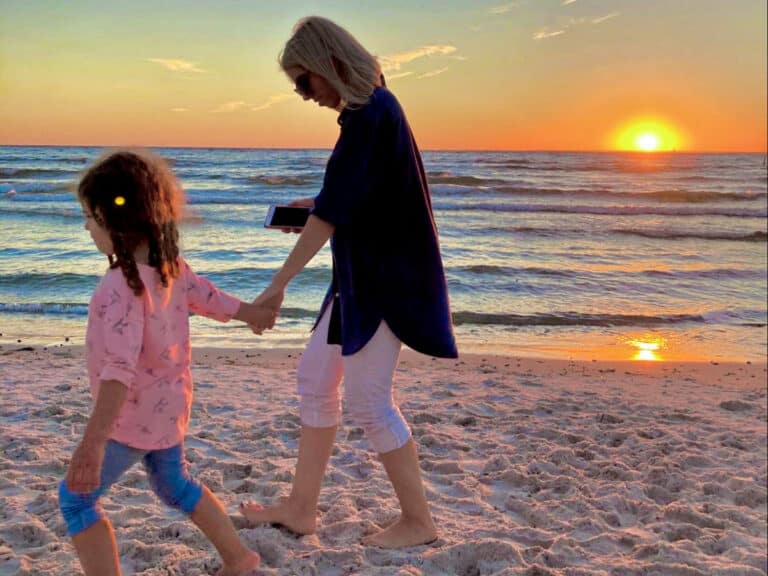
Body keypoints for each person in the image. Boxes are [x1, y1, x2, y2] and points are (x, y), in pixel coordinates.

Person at [239, 16, 458, 549]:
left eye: (303, 80)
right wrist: (313, 207)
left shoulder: (371, 113)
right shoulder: (369, 113)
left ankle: (419, 521)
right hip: (357, 282)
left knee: (369, 401)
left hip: (384, 282)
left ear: (328, 64)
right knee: (316, 381)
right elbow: (354, 198)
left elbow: (336, 212)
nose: (301, 94)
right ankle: (301, 509)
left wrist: (277, 285)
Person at [58, 149, 269, 576]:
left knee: (76, 499)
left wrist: (93, 442)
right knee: (176, 486)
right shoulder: (171, 269)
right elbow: (211, 298)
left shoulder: (121, 286)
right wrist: (253, 314)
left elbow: (118, 372)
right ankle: (239, 558)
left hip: (131, 420)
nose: (86, 226)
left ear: (117, 220)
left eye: (91, 217)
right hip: (170, 409)